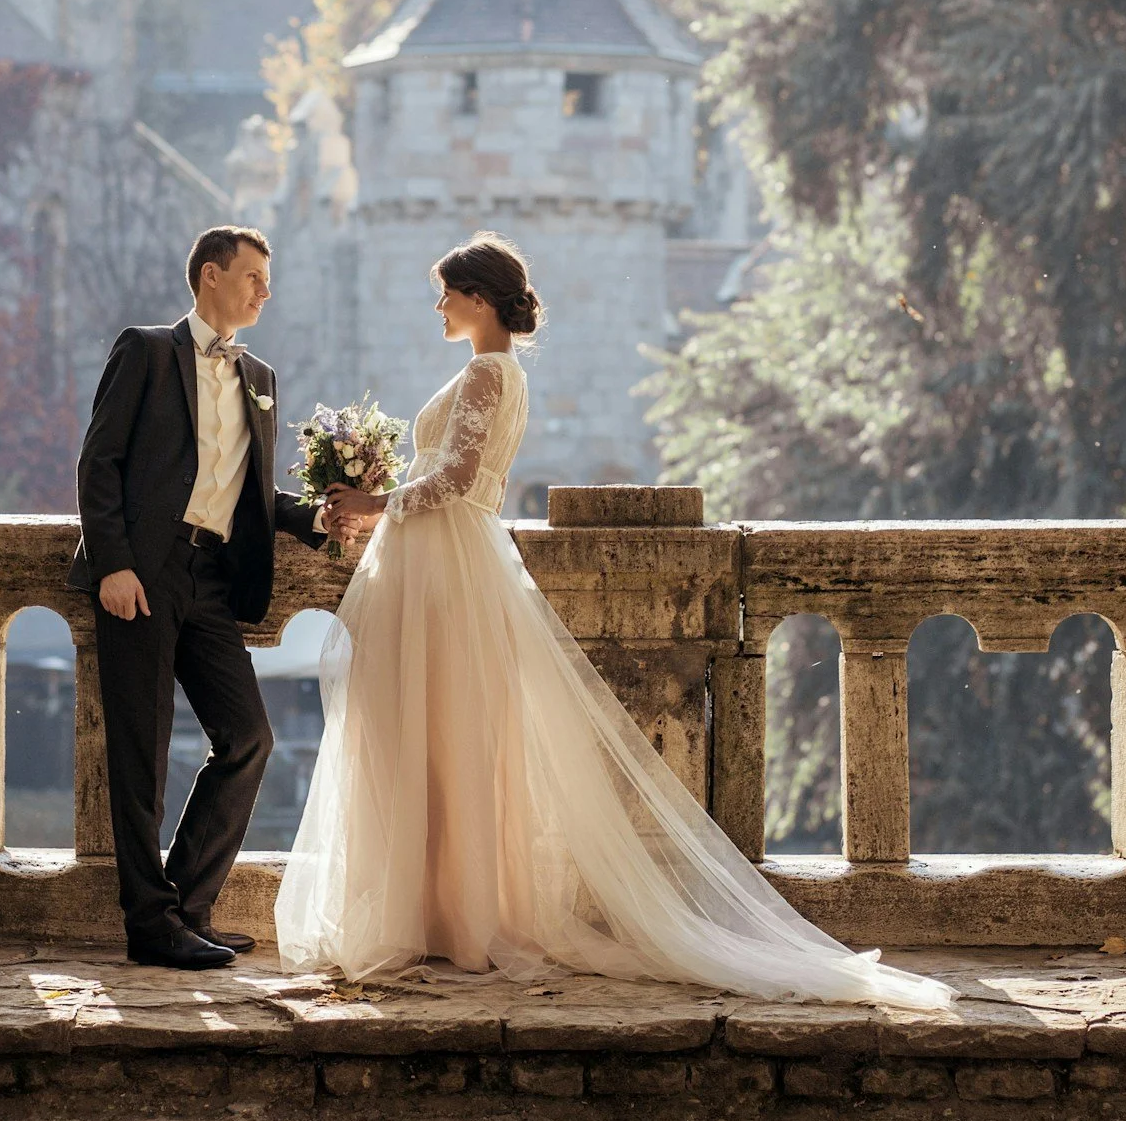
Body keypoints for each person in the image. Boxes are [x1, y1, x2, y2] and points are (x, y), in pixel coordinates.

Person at [273, 230, 951, 1011]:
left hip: (447, 570)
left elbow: (456, 480)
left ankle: (452, 919)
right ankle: (443, 914)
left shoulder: (488, 374)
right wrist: (374, 512)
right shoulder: (494, 372)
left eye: (447, 294)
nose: (438, 306)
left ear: (480, 300)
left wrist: (372, 504)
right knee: (437, 737)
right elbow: (451, 479)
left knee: (441, 735)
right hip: (443, 565)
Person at [69, 226, 324, 969]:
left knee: (248, 738)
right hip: (141, 577)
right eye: (252, 277)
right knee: (140, 755)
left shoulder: (260, 376)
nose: (264, 291)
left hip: (212, 580)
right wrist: (114, 565)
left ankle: (186, 906)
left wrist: (315, 517)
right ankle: (151, 928)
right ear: (210, 276)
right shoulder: (145, 350)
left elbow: (251, 491)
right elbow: (99, 463)